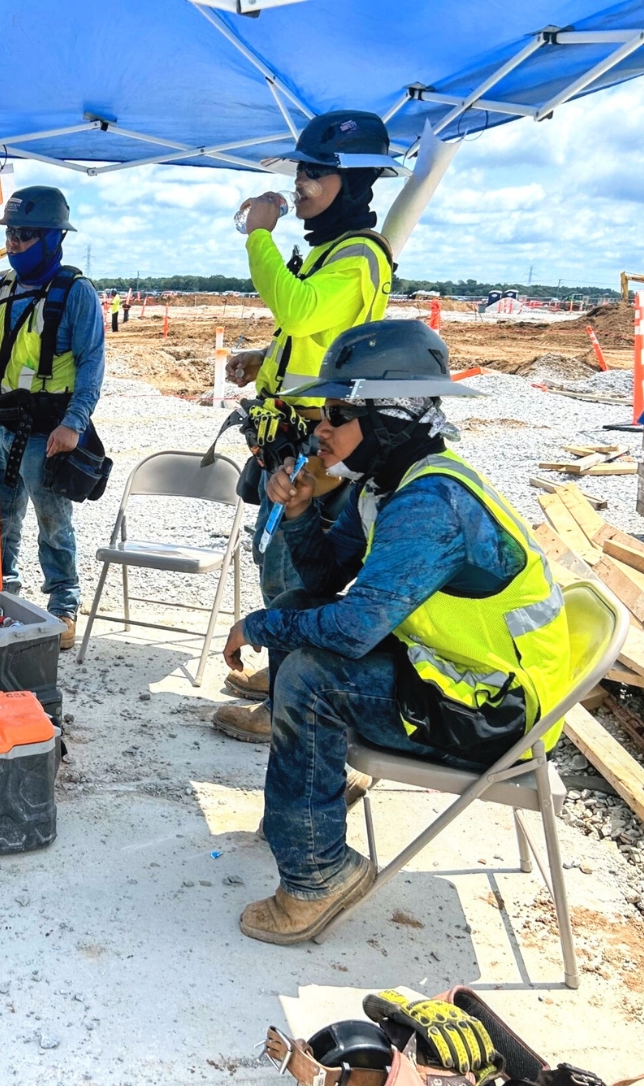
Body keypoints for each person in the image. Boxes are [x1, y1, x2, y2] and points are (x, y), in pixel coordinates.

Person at [221, 320, 574, 944]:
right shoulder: (389, 485)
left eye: (337, 412)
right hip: (461, 680)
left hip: (497, 713)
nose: (320, 428)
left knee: (309, 674)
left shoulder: (427, 506)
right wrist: (301, 514)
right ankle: (309, 803)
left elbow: (354, 629)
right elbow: (327, 579)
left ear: (387, 418)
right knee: (303, 612)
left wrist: (258, 623)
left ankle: (318, 874)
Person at [214, 110, 406, 744]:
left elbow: (296, 310)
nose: (301, 183)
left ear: (352, 184)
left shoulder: (356, 257)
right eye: (301, 169)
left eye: (316, 173)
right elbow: (315, 339)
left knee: (292, 569)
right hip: (289, 435)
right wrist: (263, 361)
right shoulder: (329, 252)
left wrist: (258, 236)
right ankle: (280, 676)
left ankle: (286, 708)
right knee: (275, 559)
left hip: (315, 445)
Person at [0, 186, 106, 650]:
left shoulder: (76, 293)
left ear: (53, 238)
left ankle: (63, 604)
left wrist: (75, 423)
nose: (13, 243)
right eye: (10, 233)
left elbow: (92, 365)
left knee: (53, 520)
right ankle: (2, 596)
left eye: (25, 234)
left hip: (47, 429)